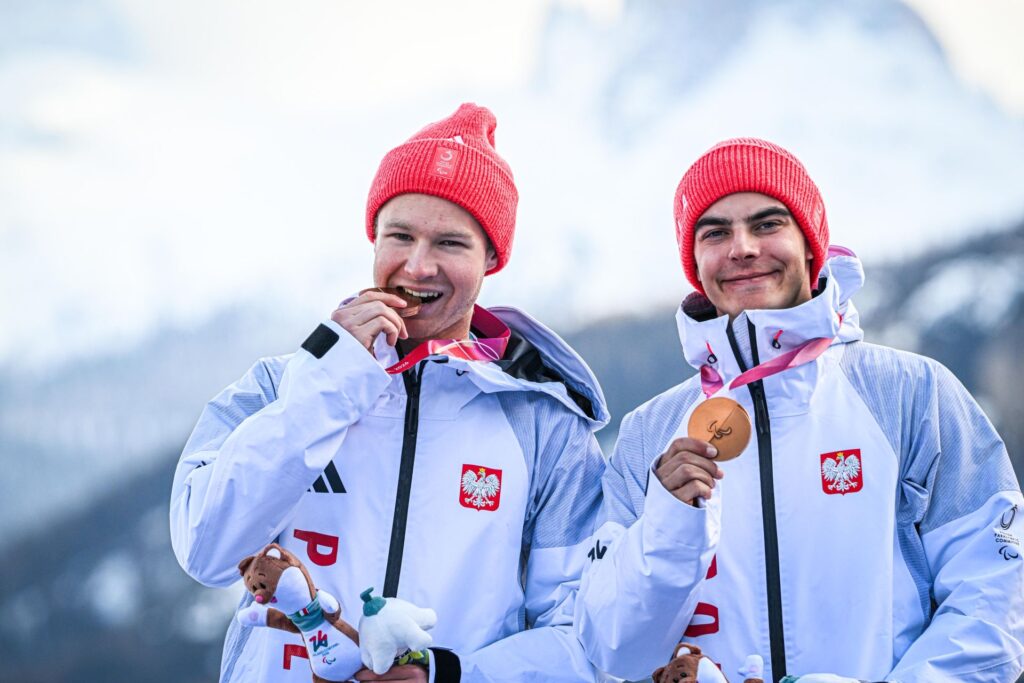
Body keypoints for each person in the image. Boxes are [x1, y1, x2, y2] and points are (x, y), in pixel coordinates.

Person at [170, 103, 609, 683]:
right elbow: (205, 550)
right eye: (400, 236)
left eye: (450, 243)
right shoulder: (280, 387)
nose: (418, 266)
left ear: (491, 259)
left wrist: (448, 675)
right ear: (373, 239)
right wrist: (329, 386)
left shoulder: (545, 425)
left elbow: (582, 633)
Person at [575, 138, 1024, 682]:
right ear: (694, 264)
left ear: (811, 246)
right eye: (715, 232)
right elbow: (610, 649)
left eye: (767, 224)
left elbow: (995, 598)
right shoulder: (650, 433)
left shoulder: (912, 394)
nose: (742, 248)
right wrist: (668, 527)